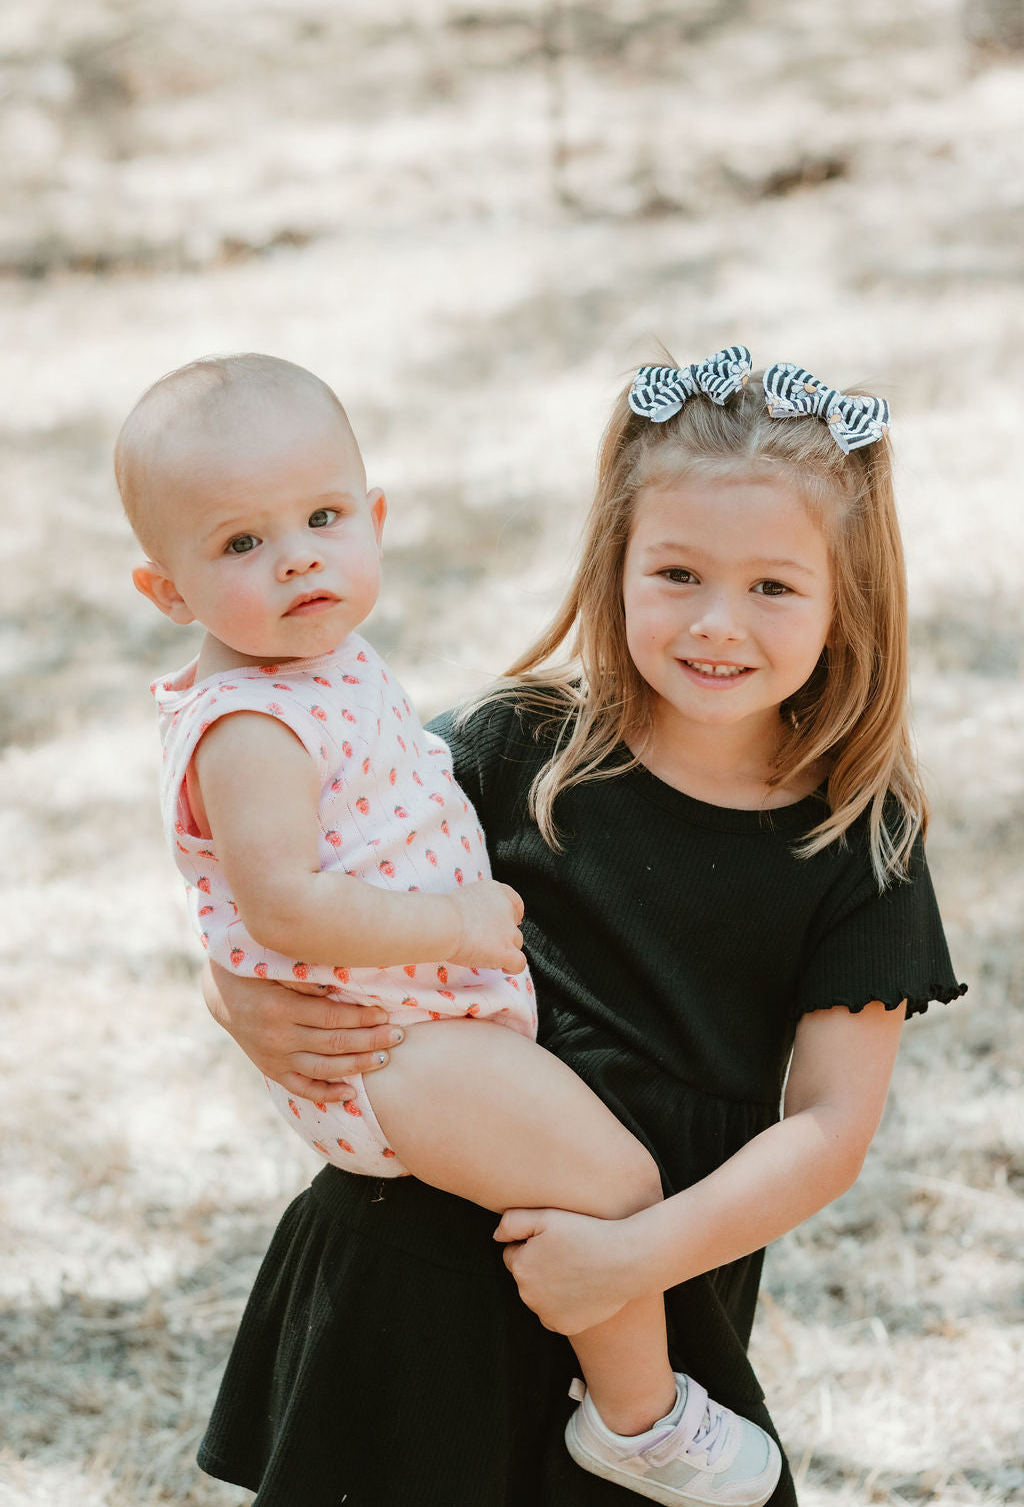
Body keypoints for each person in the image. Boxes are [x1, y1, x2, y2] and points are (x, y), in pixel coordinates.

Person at [196, 344, 964, 1507]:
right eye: (675, 573)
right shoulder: (514, 747)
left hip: (646, 1303)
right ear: (614, 561)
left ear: (845, 596)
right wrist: (234, 1004)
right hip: (413, 1265)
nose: (718, 623)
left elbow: (830, 1126)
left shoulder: (861, 840)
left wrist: (630, 1257)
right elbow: (280, 880)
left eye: (771, 586)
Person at [118, 351, 783, 1507]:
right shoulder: (247, 727)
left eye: (324, 516)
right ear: (167, 592)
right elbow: (279, 905)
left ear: (373, 518)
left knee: (602, 1190)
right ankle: (638, 1421)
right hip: (397, 1045)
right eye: (240, 544)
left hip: (423, 1033)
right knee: (616, 1183)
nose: (297, 557)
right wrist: (458, 922)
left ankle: (624, 1411)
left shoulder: (321, 672)